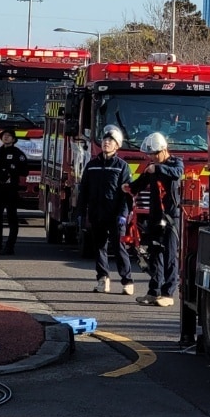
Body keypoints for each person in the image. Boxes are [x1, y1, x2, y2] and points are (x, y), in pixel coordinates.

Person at [74, 124, 134, 294]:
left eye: (111, 141)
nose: (107, 143)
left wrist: (123, 214)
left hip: (115, 216)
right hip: (96, 213)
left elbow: (126, 194)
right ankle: (103, 280)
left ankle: (127, 281)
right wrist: (80, 212)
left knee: (118, 247)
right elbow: (83, 190)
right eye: (105, 140)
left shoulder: (122, 166)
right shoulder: (92, 165)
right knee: (99, 247)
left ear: (117, 145)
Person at [131, 131, 184, 306]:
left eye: (154, 154)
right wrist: (128, 188)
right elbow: (139, 183)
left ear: (163, 150)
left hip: (171, 217)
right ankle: (154, 291)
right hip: (155, 216)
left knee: (170, 255)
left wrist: (159, 168)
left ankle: (168, 294)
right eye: (150, 155)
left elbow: (177, 173)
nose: (152, 158)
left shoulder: (175, 163)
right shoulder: (151, 167)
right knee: (155, 254)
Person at [0, 128, 29, 255]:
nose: (6, 138)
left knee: (12, 219)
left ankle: (9, 246)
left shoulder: (18, 154)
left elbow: (25, 171)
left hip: (11, 190)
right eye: (4, 136)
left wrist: (12, 171)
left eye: (8, 136)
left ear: (13, 139)